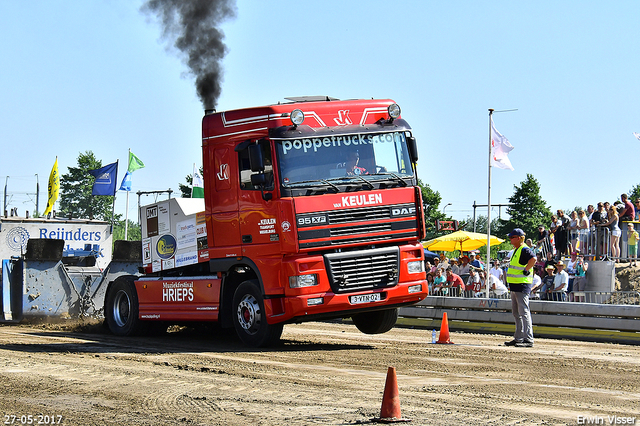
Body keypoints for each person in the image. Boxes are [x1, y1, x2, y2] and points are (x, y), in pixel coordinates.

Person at [504, 228, 536, 348]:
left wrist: (526, 270)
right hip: (515, 286)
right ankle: (518, 338)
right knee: (517, 313)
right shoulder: (517, 250)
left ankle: (528, 339)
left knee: (523, 313)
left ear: (518, 238)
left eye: (512, 237)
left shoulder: (524, 249)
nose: (510, 239)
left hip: (521, 285)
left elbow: (533, 259)